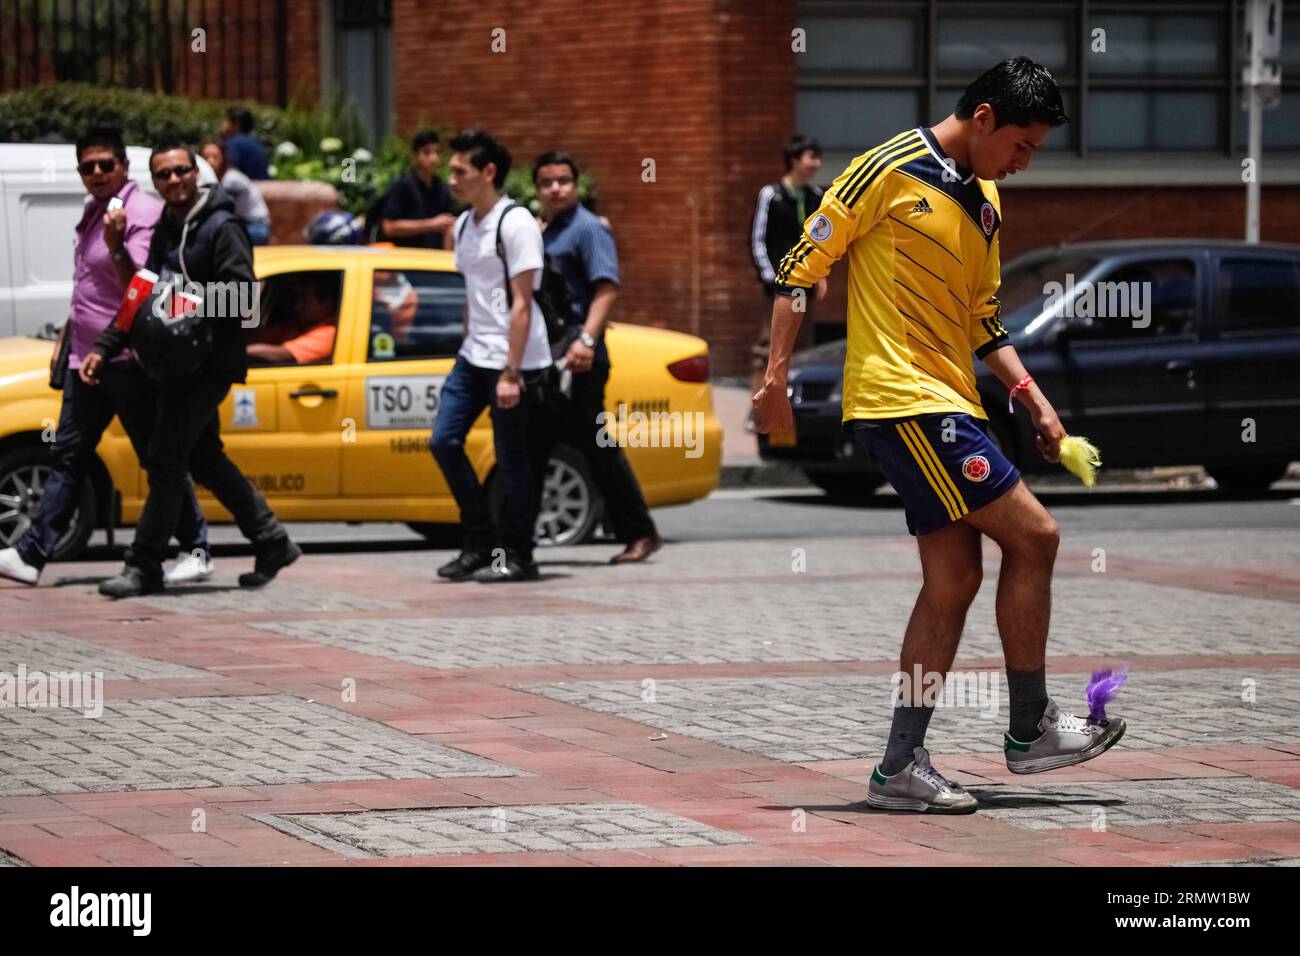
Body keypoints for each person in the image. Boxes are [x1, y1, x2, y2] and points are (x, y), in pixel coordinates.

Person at [752, 57, 1126, 814]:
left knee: (953, 582)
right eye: (1022, 145)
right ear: (984, 117)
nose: (1024, 163)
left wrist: (1033, 399)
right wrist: (775, 377)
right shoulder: (884, 168)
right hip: (903, 402)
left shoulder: (985, 200)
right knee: (1038, 536)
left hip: (952, 398)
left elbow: (983, 318)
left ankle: (898, 769)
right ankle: (1030, 726)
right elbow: (800, 268)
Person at [81, 142, 300, 598]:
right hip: (173, 363)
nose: (174, 180)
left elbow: (243, 301)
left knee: (163, 460)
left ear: (196, 173)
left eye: (181, 171)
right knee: (203, 458)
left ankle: (143, 566)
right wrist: (107, 344)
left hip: (210, 365)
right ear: (155, 181)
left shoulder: (224, 226)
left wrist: (184, 303)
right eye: (164, 175)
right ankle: (271, 540)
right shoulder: (168, 224)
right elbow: (145, 290)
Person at [0, 127, 212, 588]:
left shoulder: (139, 213)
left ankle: (196, 547)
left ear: (122, 166)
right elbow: (87, 285)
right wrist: (69, 335)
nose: (96, 173)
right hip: (87, 359)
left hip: (127, 360)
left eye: (105, 164)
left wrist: (116, 245)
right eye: (87, 167)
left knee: (157, 459)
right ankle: (32, 553)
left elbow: (140, 286)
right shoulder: (95, 210)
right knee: (69, 454)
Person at [429, 129, 551, 583]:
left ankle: (520, 554)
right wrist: (467, 344)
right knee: (443, 441)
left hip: (514, 361)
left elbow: (523, 303)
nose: (451, 177)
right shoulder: (462, 225)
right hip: (473, 355)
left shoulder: (515, 223)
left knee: (511, 457)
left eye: (460, 171)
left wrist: (512, 372)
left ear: (489, 172)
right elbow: (472, 295)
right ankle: (479, 542)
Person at [531, 149, 662, 564]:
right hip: (552, 357)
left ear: (577, 184)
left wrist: (586, 342)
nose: (556, 188)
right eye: (547, 182)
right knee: (535, 446)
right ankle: (514, 538)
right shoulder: (545, 231)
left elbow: (606, 288)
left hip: (581, 358)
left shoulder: (589, 230)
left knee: (595, 446)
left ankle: (639, 531)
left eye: (564, 181)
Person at [749, 134, 828, 399]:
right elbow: (757, 238)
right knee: (768, 347)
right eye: (811, 157)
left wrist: (821, 275)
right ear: (794, 160)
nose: (817, 164)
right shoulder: (771, 195)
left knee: (803, 347)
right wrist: (770, 277)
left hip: (807, 287)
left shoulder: (816, 196)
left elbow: (822, 243)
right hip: (776, 289)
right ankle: (760, 409)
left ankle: (793, 408)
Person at [381, 130, 456, 249]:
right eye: (427, 152)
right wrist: (430, 224)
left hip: (436, 261)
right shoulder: (403, 185)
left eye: (437, 152)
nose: (433, 158)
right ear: (415, 156)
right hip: (406, 261)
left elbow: (447, 228)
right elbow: (389, 227)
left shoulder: (442, 188)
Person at [200, 140, 272, 245]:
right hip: (245, 226)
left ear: (223, 158)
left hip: (256, 228)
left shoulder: (231, 180)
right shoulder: (219, 179)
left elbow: (219, 208)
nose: (210, 161)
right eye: (206, 157)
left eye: (215, 157)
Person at [220, 107, 270, 181]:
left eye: (227, 121)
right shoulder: (256, 142)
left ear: (236, 123)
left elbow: (229, 170)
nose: (223, 124)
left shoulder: (233, 144)